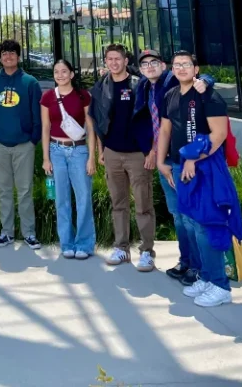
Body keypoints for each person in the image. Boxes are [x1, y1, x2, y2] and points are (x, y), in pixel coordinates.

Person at [158, 51, 234, 308]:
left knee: (205, 224)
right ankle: (206, 276)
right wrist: (161, 161)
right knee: (190, 222)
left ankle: (220, 285)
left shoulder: (208, 95)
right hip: (178, 166)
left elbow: (219, 134)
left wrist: (194, 158)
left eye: (186, 64)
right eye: (176, 65)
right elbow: (165, 130)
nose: (181, 68)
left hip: (204, 167)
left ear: (196, 68)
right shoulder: (171, 95)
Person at [134, 49, 212, 285]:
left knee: (192, 216)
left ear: (163, 65)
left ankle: (200, 266)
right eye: (144, 64)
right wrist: (156, 156)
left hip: (185, 159)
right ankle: (186, 261)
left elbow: (200, 79)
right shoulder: (144, 87)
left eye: (154, 62)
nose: (149, 66)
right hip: (165, 159)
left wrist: (206, 81)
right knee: (178, 215)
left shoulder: (172, 81)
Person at [89, 43, 156, 272]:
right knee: (118, 204)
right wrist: (101, 151)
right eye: (110, 59)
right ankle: (121, 248)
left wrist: (152, 151)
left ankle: (146, 251)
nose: (114, 63)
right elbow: (98, 121)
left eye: (118, 58)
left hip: (138, 154)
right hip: (113, 153)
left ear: (126, 61)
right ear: (105, 61)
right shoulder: (101, 87)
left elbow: (154, 119)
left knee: (143, 205)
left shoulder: (140, 84)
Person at [0, 40, 42, 249]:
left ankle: (29, 233)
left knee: (25, 190)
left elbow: (37, 113)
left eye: (12, 53)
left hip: (24, 145)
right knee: (4, 190)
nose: (8, 56)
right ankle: (6, 232)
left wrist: (33, 139)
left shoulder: (30, 82)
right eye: (4, 53)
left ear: (18, 56)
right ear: (0, 58)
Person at [41, 59, 96, 259]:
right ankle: (66, 243)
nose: (60, 75)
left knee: (83, 198)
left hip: (79, 151)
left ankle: (84, 244)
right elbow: (45, 128)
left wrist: (91, 157)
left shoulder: (83, 96)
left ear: (72, 74)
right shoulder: (48, 97)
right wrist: (46, 158)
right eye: (56, 72)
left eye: (64, 71)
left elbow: (91, 128)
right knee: (61, 199)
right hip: (56, 151)